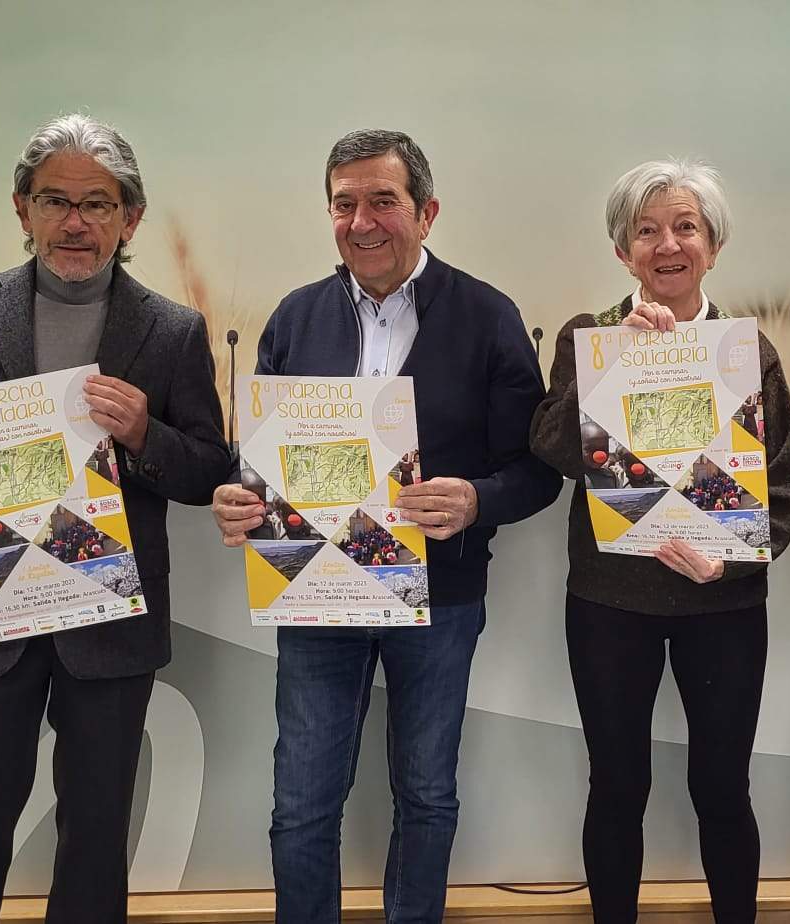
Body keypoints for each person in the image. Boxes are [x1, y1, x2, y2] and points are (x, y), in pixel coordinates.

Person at [0, 113, 229, 924]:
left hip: (109, 629)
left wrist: (145, 433)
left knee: (96, 842)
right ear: (22, 208)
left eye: (98, 204)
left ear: (129, 218)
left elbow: (208, 467)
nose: (76, 222)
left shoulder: (173, 331)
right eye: (55, 200)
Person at [209, 129, 561, 924]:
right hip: (315, 596)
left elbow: (538, 470)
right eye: (344, 204)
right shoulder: (295, 319)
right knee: (300, 802)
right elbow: (259, 457)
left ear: (426, 211)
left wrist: (476, 497)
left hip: (441, 598)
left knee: (428, 795)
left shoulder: (487, 315)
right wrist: (239, 494)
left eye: (383, 201)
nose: (361, 221)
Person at [528, 159, 790, 923]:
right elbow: (549, 449)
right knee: (616, 784)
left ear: (712, 245)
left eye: (685, 227)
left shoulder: (750, 351)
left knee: (722, 788)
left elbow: (782, 488)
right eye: (645, 231)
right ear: (623, 251)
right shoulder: (588, 337)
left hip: (725, 602)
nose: (666, 244)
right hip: (610, 601)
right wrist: (610, 359)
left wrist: (737, 556)